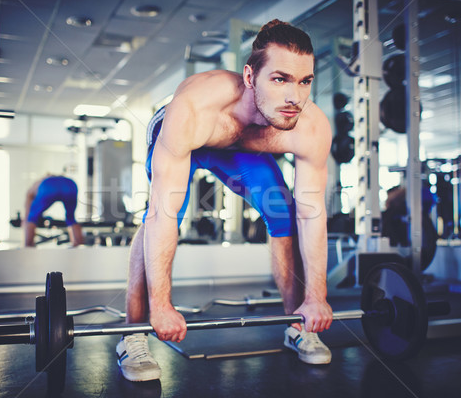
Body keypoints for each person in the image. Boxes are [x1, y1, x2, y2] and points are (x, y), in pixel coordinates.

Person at [117, 19, 333, 382]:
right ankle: (133, 335)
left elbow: (313, 216)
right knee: (165, 210)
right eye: (280, 79)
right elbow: (162, 216)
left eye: (305, 81)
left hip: (242, 147)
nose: (295, 96)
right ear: (250, 77)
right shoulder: (193, 109)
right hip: (191, 134)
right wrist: (163, 307)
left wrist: (318, 296)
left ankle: (299, 326)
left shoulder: (309, 126)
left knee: (285, 213)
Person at [24, 175, 84, 247]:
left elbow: (28, 213)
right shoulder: (58, 179)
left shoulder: (34, 187)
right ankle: (78, 245)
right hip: (70, 184)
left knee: (32, 217)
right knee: (71, 218)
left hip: (49, 187)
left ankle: (28, 246)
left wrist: (27, 219)